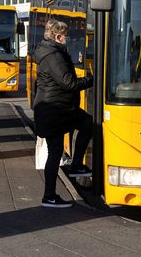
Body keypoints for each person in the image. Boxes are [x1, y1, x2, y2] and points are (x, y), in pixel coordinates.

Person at [33, 18, 93, 208]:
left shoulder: (50, 51)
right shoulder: (53, 56)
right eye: (66, 35)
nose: (67, 38)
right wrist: (93, 79)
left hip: (54, 109)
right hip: (55, 110)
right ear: (58, 36)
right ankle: (50, 195)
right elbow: (69, 83)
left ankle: (52, 193)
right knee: (58, 150)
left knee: (84, 125)